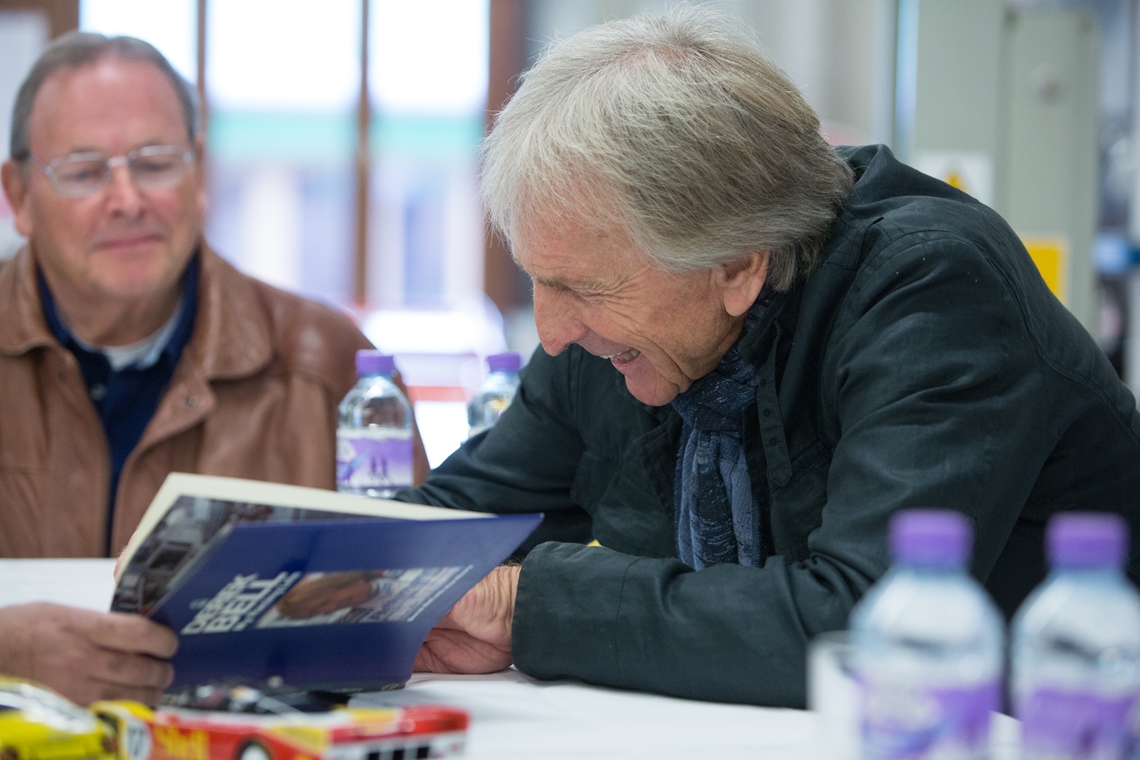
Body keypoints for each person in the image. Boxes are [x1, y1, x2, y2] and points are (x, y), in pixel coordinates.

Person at [403, 7, 1140, 707]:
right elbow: (452, 523)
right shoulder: (617, 328)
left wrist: (524, 603)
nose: (554, 330)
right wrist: (318, 573)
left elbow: (864, 625)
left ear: (737, 266)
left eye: (579, 288)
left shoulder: (931, 290)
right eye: (538, 280)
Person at [0, 32, 426, 703]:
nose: (127, 199)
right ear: (18, 194)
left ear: (199, 173)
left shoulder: (327, 365)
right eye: (84, 171)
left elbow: (412, 612)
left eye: (156, 163)